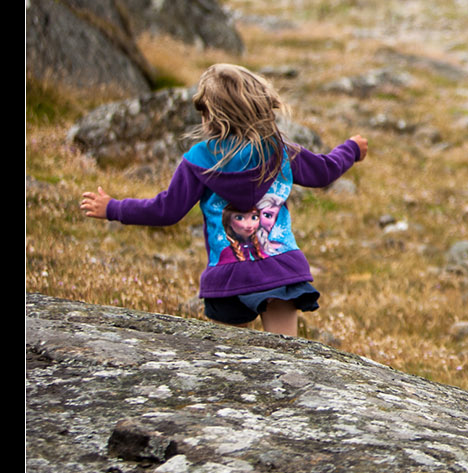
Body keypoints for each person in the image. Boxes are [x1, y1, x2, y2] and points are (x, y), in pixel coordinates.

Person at [79, 64, 368, 336]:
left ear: (210, 115)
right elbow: (325, 171)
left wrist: (114, 208)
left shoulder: (198, 160)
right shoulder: (279, 150)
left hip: (228, 278)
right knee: (286, 356)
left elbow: (166, 210)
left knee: (233, 362)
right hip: (281, 272)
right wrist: (351, 149)